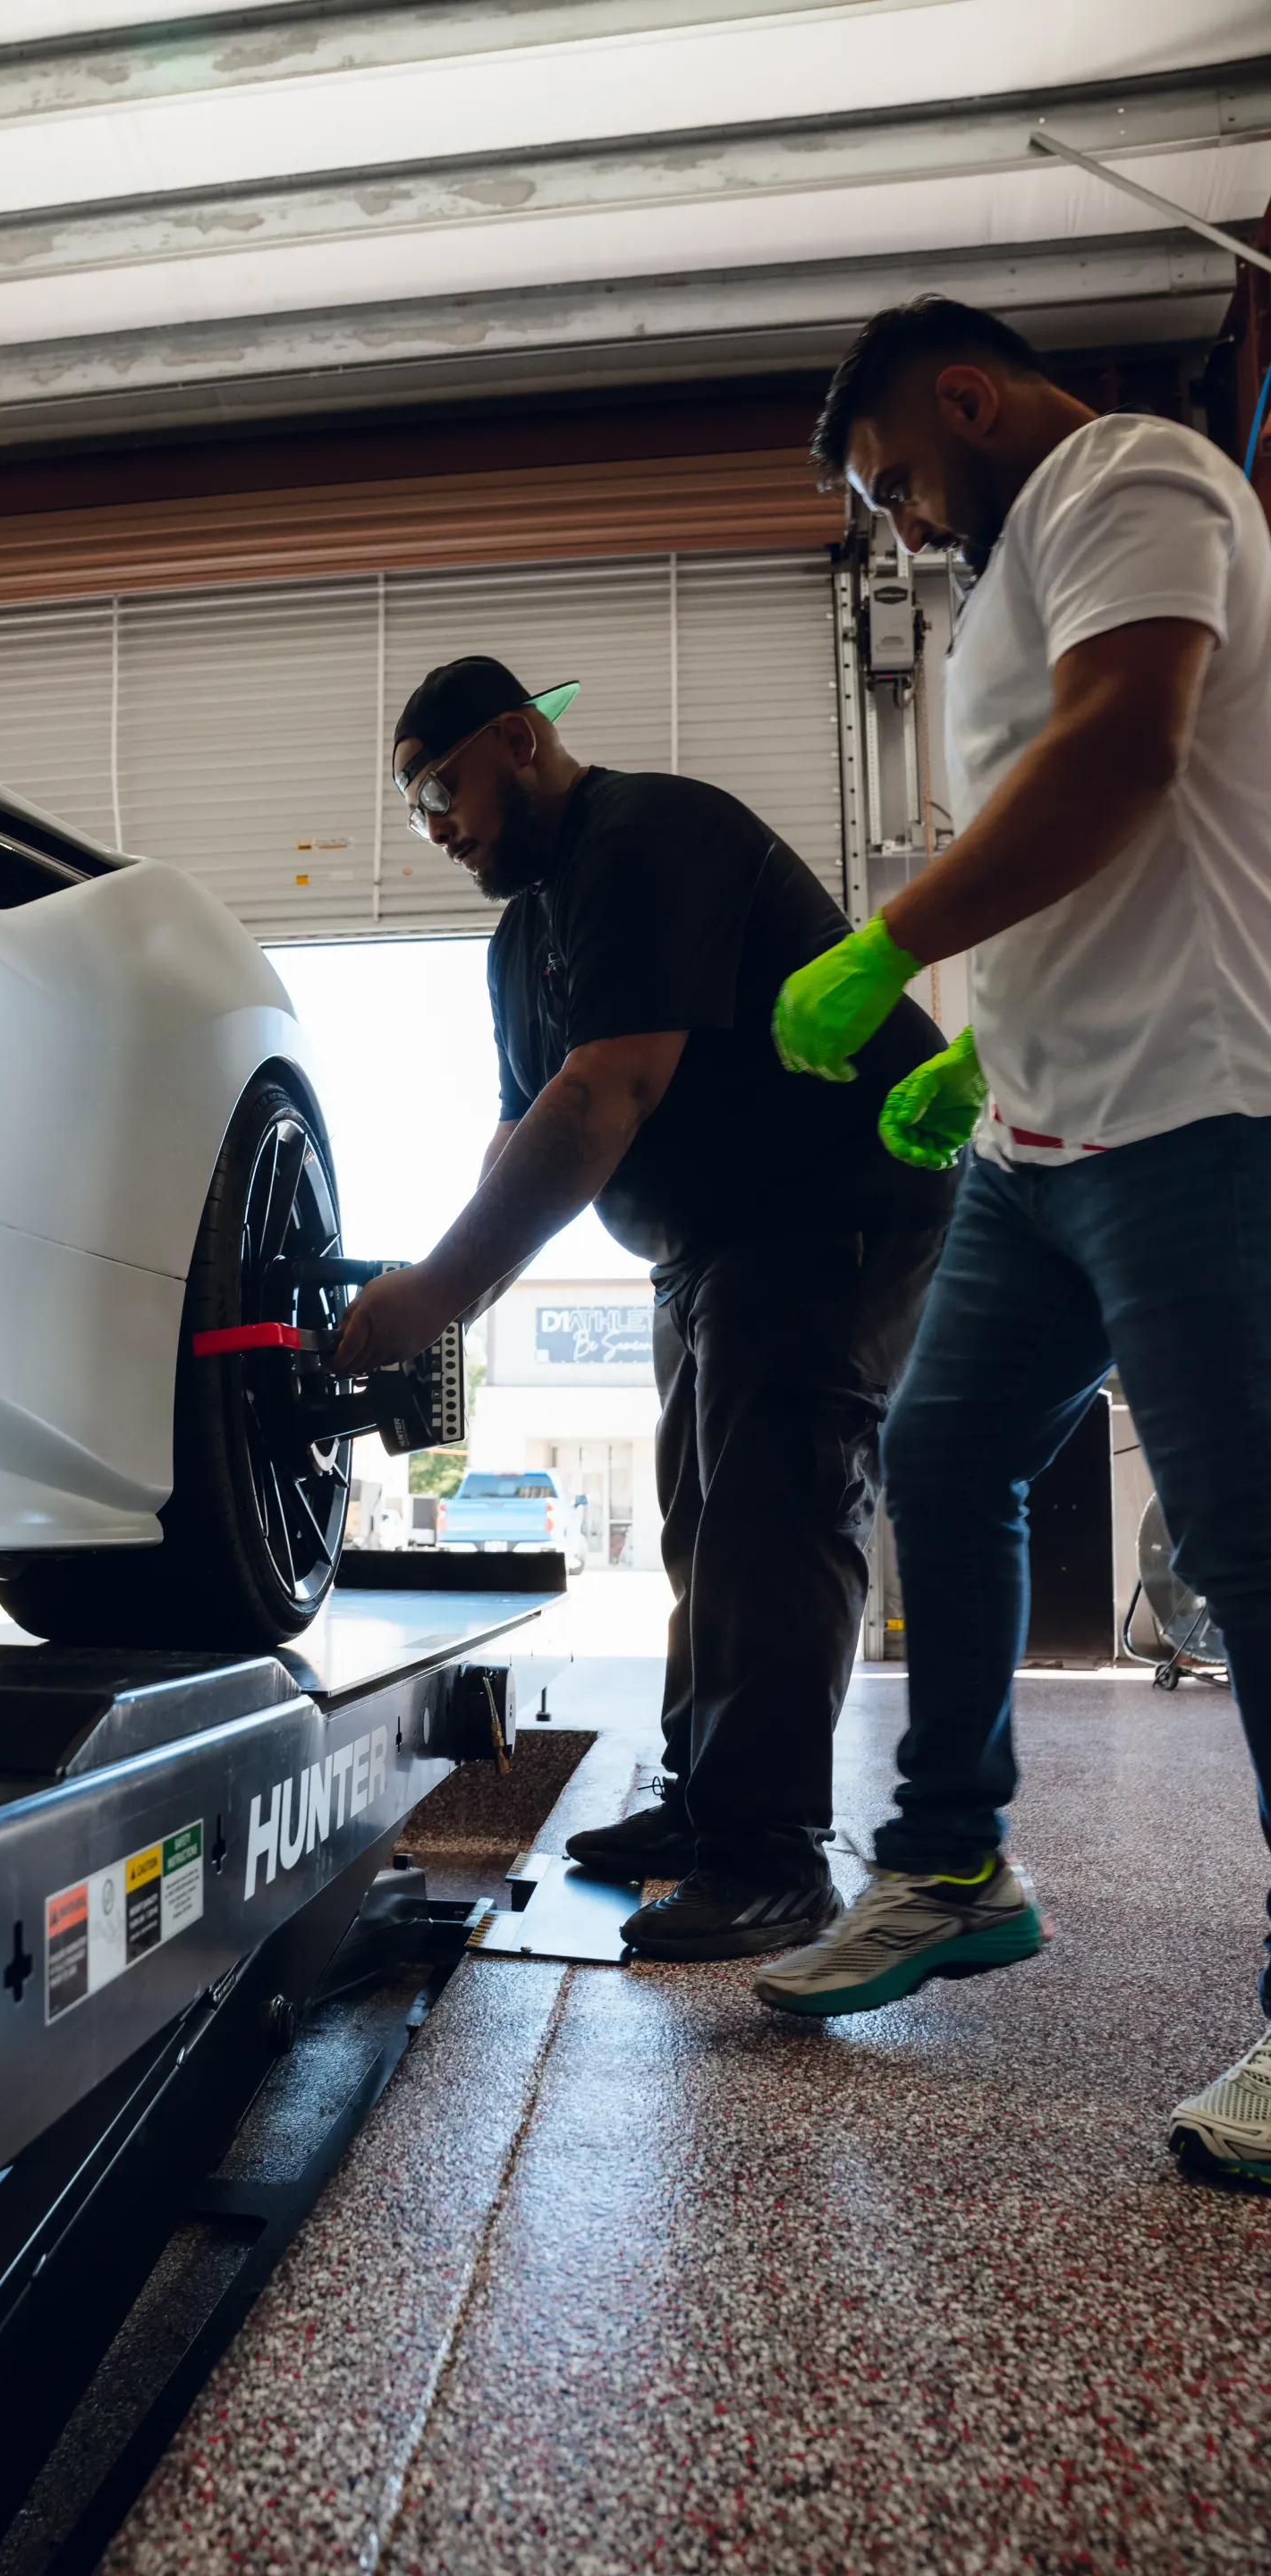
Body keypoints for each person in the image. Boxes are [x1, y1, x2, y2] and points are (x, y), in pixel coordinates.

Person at [750, 296, 1271, 2186]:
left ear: (965, 398)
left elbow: (1133, 750)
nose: (900, 523)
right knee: (944, 1457)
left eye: (896, 481)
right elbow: (1089, 843)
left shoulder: (1130, 473)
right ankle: (951, 1860)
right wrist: (977, 1049)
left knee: (1248, 1537)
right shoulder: (1004, 590)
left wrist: (892, 940)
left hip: (1206, 1104)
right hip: (1046, 1137)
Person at [334, 655, 953, 1958]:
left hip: (833, 1199)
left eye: (443, 788)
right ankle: (705, 1806)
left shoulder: (654, 836)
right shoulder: (522, 940)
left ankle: (774, 1858)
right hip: (712, 1243)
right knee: (700, 1523)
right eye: (415, 808)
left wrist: (442, 1288)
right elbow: (519, 1134)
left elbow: (608, 1091)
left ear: (517, 739)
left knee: (774, 1510)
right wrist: (449, 1297)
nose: (435, 827)